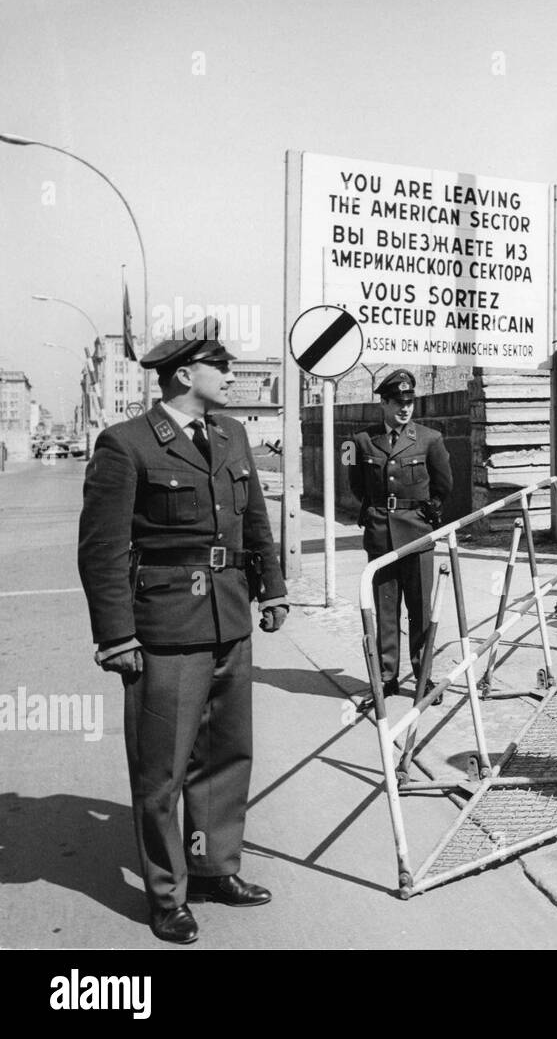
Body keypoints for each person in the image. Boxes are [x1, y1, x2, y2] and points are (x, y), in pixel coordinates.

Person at [77, 317, 288, 944]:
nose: (232, 375)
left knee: (226, 757)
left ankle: (213, 866)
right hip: (165, 629)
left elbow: (254, 524)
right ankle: (167, 895)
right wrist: (117, 636)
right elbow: (102, 551)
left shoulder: (230, 437)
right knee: (162, 770)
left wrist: (271, 588)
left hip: (229, 620)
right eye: (221, 366)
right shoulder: (128, 444)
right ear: (183, 375)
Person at [347, 369, 453, 697]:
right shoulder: (360, 441)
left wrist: (428, 511)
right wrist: (376, 511)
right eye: (397, 402)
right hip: (380, 533)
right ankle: (386, 677)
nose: (404, 409)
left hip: (418, 533)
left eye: (409, 402)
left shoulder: (430, 438)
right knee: (385, 607)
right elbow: (355, 485)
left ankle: (423, 678)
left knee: (420, 609)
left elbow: (444, 484)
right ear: (383, 403)